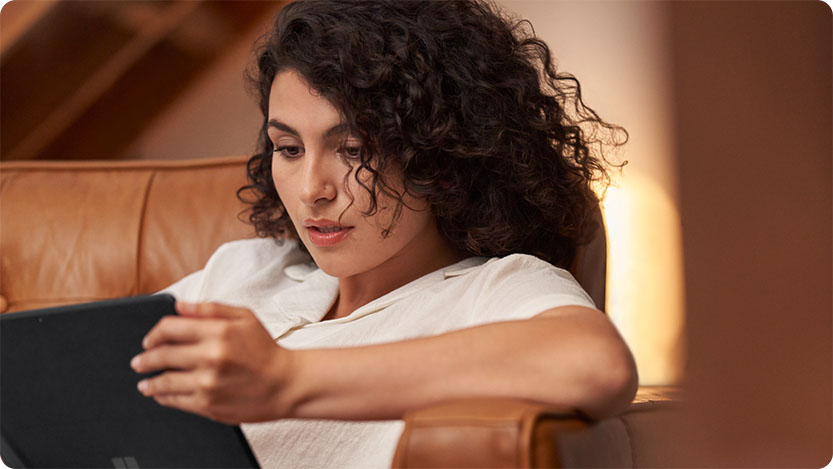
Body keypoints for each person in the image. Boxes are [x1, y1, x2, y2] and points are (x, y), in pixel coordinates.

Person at [129, 0, 637, 466]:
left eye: (352, 149)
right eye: (288, 148)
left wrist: (287, 379)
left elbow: (597, 365)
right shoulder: (243, 270)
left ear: (439, 152)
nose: (312, 190)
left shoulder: (491, 291)